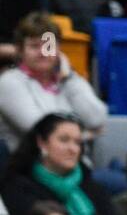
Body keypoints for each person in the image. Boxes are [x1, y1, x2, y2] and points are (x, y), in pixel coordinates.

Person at [1, 114, 127, 215]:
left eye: (77, 142)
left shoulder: (89, 183)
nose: (73, 149)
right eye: (64, 140)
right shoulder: (18, 184)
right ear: (42, 143)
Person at [0, 13, 108, 152]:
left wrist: (69, 78)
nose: (43, 52)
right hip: (30, 167)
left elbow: (97, 119)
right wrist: (86, 135)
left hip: (75, 166)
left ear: (58, 50)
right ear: (20, 51)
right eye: (34, 46)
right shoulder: (9, 83)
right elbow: (41, 130)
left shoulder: (68, 79)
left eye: (49, 46)